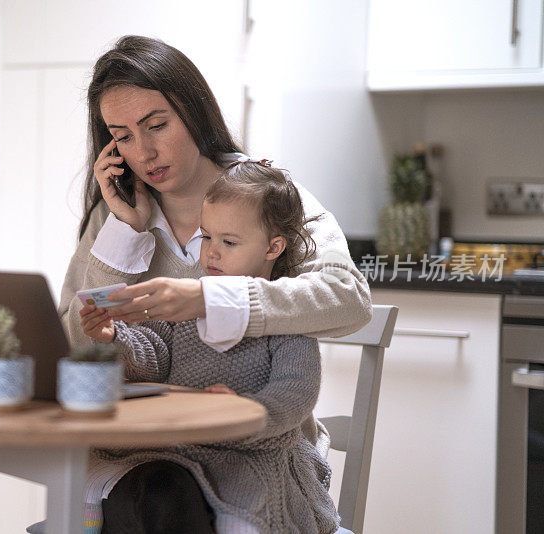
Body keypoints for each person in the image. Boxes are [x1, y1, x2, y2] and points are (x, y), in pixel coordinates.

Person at [56, 35, 369, 533]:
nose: (145, 152)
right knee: (146, 495)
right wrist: (123, 236)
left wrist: (210, 297)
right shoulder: (112, 217)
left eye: (157, 125)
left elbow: (348, 298)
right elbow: (73, 348)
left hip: (254, 452)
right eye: (124, 136)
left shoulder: (263, 192)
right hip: (145, 453)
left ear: (194, 112)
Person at [78, 160, 338, 533]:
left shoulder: (284, 319)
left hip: (254, 454)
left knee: (238, 517)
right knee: (145, 489)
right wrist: (113, 337)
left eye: (229, 242)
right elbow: (156, 353)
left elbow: (295, 394)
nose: (211, 253)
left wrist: (245, 412)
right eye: (207, 237)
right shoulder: (191, 299)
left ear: (273, 247)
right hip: (180, 450)